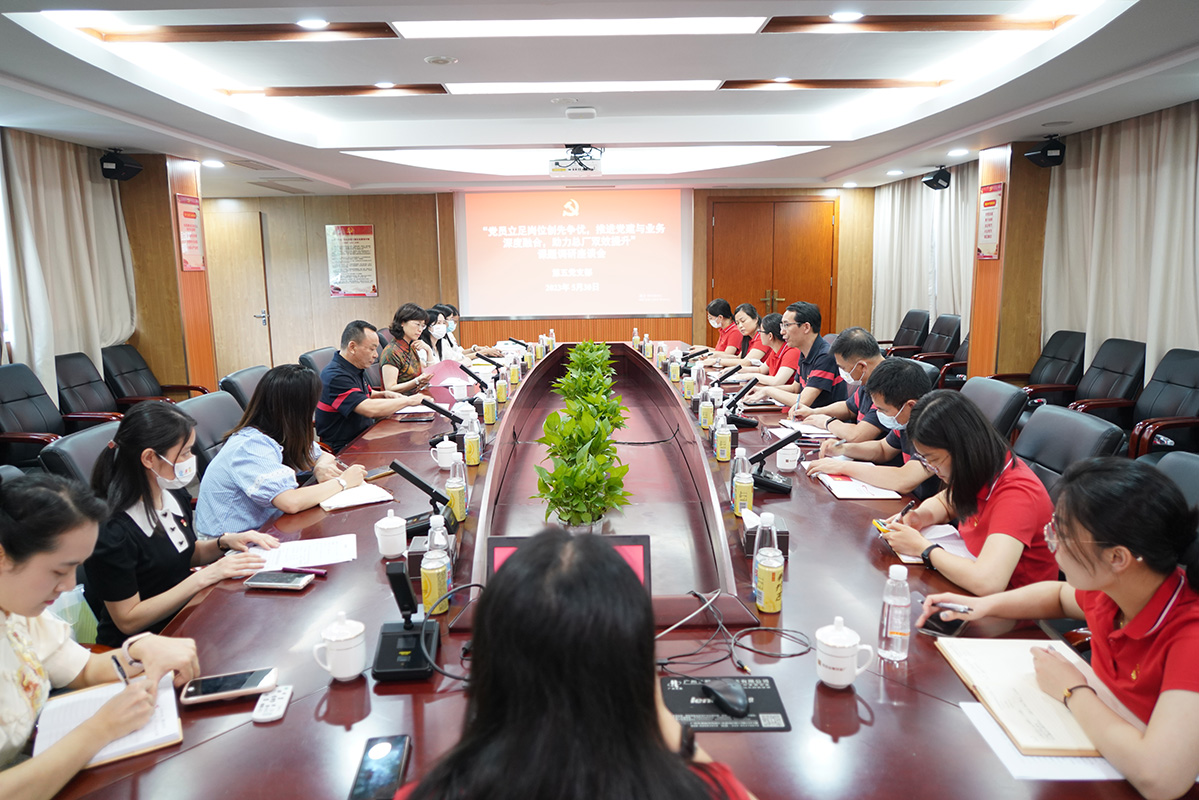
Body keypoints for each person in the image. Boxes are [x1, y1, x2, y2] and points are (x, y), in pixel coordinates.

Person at [395, 530, 756, 800]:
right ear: (637, 671)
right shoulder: (707, 791)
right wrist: (669, 725)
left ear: (488, 670)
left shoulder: (427, 793)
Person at [921, 458, 1199, 800]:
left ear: (1118, 558)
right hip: (1103, 754)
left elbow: (1160, 778)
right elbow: (1058, 595)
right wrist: (984, 606)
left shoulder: (1190, 637)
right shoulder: (1115, 588)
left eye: (1061, 535)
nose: (1051, 542)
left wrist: (1072, 690)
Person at [0, 472, 200, 800]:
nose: (68, 587)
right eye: (58, 570)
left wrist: (139, 651)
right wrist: (99, 730)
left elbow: (82, 669)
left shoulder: (19, 608)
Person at [85, 401, 279, 647]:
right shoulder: (111, 530)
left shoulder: (171, 492)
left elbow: (182, 554)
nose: (191, 459)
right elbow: (128, 619)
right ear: (149, 458)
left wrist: (223, 543)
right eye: (185, 452)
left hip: (187, 617)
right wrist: (205, 577)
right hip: (144, 646)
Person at [877, 389, 1056, 594]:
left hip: (1014, 609)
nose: (933, 469)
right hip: (967, 585)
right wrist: (921, 516)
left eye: (934, 460)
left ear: (962, 449)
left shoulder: (1017, 494)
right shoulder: (981, 466)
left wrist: (923, 548)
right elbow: (947, 502)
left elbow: (988, 582)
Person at [195, 364, 367, 534]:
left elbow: (323, 455)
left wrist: (321, 466)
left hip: (267, 526)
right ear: (299, 409)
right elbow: (290, 502)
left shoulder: (280, 433)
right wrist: (343, 482)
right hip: (229, 545)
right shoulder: (250, 446)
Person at [805, 357, 939, 498]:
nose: (878, 414)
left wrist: (841, 467)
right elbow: (883, 449)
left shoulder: (936, 427)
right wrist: (844, 449)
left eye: (883, 410)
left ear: (910, 405)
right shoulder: (907, 419)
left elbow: (903, 479)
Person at [315, 320, 432, 453]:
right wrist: (409, 401)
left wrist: (384, 394)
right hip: (346, 447)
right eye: (372, 349)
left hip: (366, 434)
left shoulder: (353, 367)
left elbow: (365, 394)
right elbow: (368, 409)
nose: (376, 354)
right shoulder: (336, 376)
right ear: (352, 347)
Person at [793, 327, 887, 444]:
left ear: (862, 366)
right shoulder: (870, 377)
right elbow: (848, 407)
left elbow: (858, 435)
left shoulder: (888, 385)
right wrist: (814, 412)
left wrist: (827, 422)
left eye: (842, 367)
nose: (841, 372)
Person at [746, 302, 845, 409]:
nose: (782, 331)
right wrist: (761, 390)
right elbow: (795, 388)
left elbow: (803, 401)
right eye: (782, 325)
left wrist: (769, 391)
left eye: (786, 325)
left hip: (825, 421)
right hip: (807, 418)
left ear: (806, 327)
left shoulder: (825, 356)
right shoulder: (804, 352)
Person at [381, 303, 436, 395]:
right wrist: (417, 382)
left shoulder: (410, 346)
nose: (420, 329)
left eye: (423, 326)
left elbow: (429, 373)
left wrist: (428, 350)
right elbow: (390, 388)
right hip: (399, 402)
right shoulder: (392, 352)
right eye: (417, 324)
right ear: (402, 322)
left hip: (415, 397)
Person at [740, 313, 799, 387]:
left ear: (770, 336)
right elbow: (761, 370)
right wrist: (735, 370)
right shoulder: (775, 350)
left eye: (760, 331)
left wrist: (752, 376)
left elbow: (777, 381)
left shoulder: (792, 351)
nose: (759, 334)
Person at [707, 303, 766, 367]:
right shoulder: (748, 337)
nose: (740, 326)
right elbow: (738, 358)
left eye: (743, 321)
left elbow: (746, 362)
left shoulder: (762, 336)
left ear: (755, 319)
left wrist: (717, 361)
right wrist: (715, 356)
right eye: (737, 323)